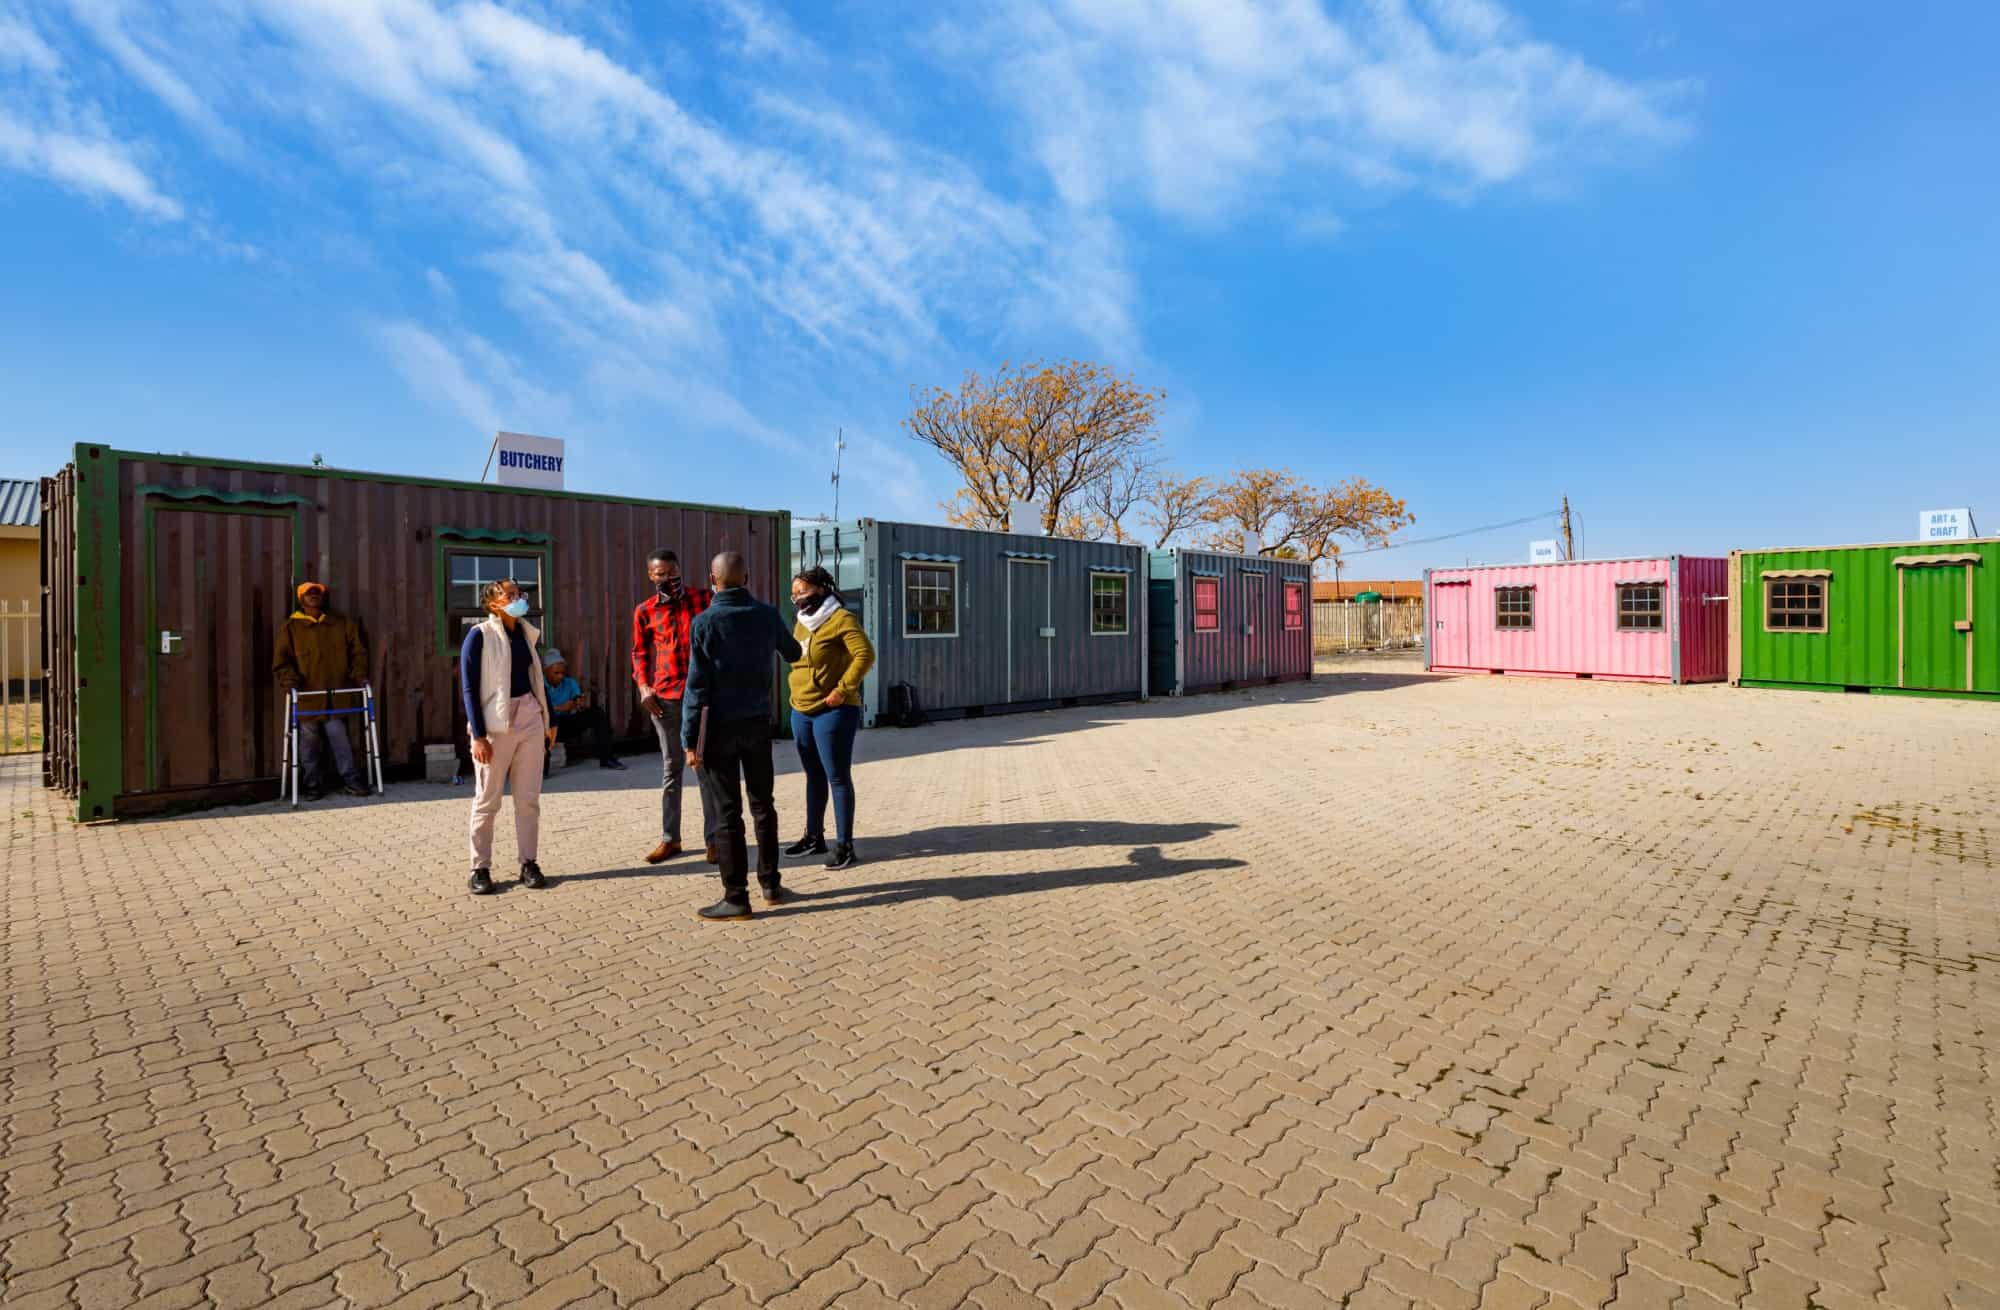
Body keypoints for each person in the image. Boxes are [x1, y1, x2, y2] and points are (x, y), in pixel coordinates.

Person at [682, 552, 802, 920]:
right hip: (757, 725)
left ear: (712, 579)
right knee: (763, 805)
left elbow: (696, 687)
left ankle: (736, 897)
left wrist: (689, 740)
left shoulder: (704, 623)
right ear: (746, 578)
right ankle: (771, 884)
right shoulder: (766, 615)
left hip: (719, 729)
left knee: (727, 812)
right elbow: (794, 652)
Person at [461, 578, 556, 896]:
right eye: (510, 595)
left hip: (529, 716)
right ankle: (479, 868)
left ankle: (529, 863)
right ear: (493, 604)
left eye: (519, 593)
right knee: (487, 800)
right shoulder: (479, 635)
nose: (518, 598)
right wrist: (478, 735)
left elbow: (537, 678)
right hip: (494, 724)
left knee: (528, 799)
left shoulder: (527, 633)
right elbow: (469, 687)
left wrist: (550, 719)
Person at [785, 566, 874, 870]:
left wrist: (843, 689)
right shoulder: (802, 621)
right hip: (801, 709)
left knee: (837, 776)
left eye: (803, 592)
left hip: (833, 710)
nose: (798, 598)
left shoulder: (841, 619)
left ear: (822, 589)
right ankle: (814, 837)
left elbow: (865, 655)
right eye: (794, 594)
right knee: (813, 775)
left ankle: (844, 845)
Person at [632, 548, 714, 864]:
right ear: (650, 576)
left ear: (679, 569)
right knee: (671, 768)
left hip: (701, 697)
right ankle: (670, 839)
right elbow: (639, 653)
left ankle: (714, 839)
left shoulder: (704, 599)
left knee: (704, 767)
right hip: (664, 698)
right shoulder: (645, 610)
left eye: (671, 572)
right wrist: (644, 686)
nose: (667, 578)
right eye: (660, 574)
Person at [272, 580, 371, 801]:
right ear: (301, 599)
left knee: (340, 739)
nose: (313, 596)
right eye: (309, 593)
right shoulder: (291, 627)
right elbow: (282, 661)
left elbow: (358, 652)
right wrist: (290, 682)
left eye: (317, 593)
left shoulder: (341, 623)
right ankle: (312, 784)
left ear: (323, 597)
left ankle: (351, 780)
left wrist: (359, 674)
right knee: (309, 743)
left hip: (335, 696)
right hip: (307, 697)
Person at [542, 648, 626, 771]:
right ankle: (542, 766)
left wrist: (580, 703)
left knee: (597, 714)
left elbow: (579, 699)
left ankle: (607, 758)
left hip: (566, 724)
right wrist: (560, 707)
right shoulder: (539, 685)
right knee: (539, 722)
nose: (560, 676)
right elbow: (537, 711)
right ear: (546, 671)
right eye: (556, 673)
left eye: (562, 673)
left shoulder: (569, 683)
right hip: (548, 727)